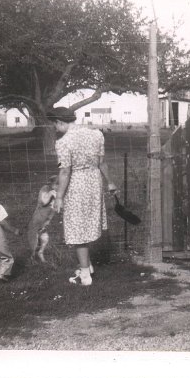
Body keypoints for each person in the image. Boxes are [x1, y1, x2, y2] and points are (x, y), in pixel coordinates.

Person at [48, 107, 117, 286]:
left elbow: (65, 172)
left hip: (77, 185)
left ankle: (85, 276)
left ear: (60, 122)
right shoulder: (96, 135)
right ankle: (87, 265)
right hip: (94, 182)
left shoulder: (63, 142)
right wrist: (110, 182)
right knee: (87, 226)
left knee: (77, 229)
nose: (56, 129)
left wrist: (60, 197)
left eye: (55, 124)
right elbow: (102, 162)